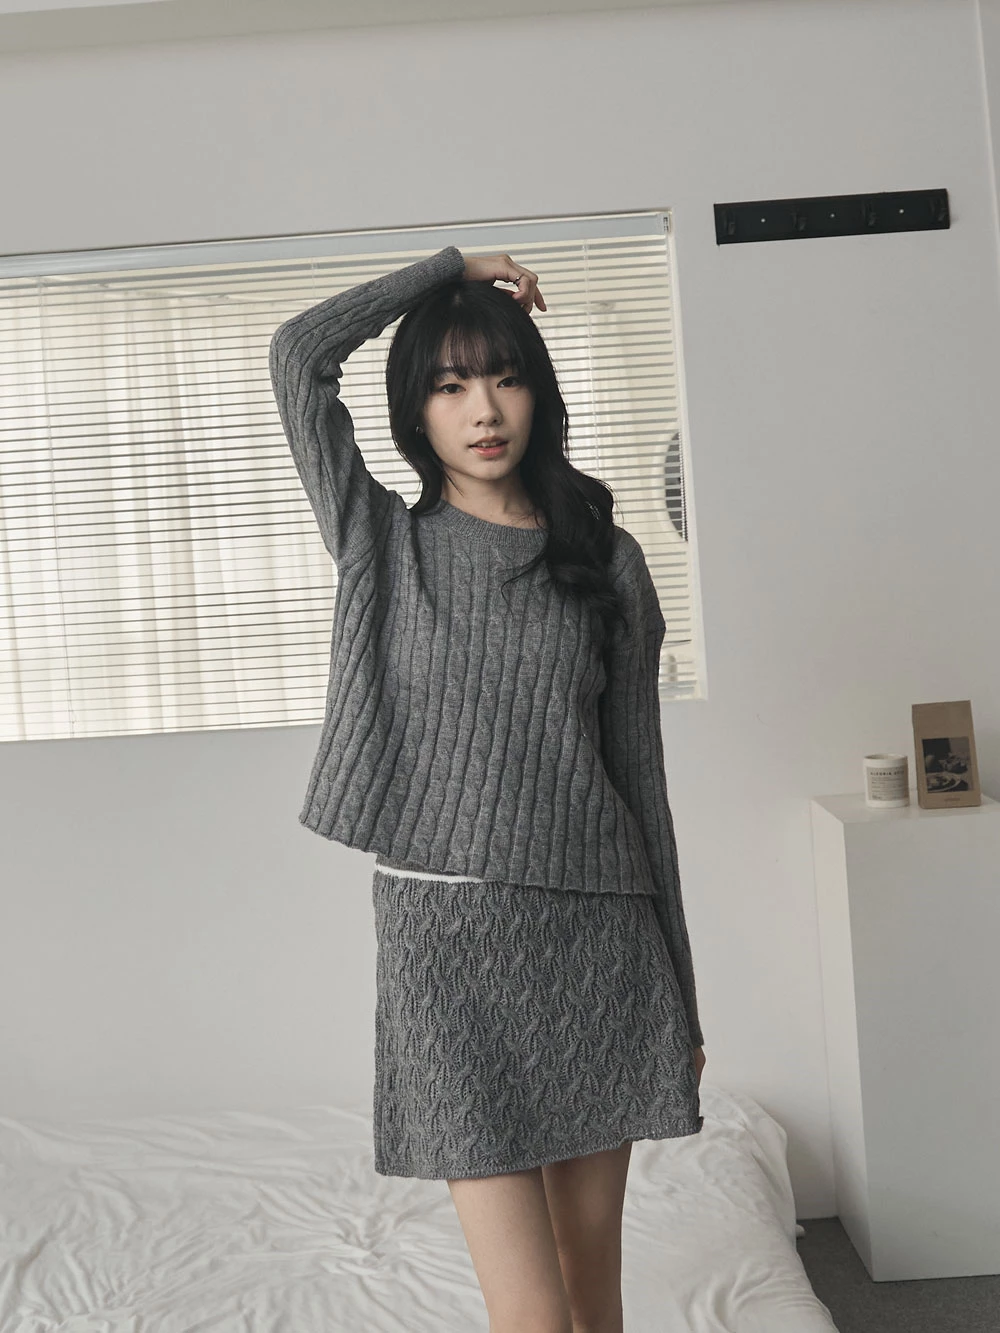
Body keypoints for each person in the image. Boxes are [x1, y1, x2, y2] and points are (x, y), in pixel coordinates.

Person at [268, 245, 706, 1333]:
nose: (483, 408)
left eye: (505, 377)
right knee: (531, 1315)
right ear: (415, 411)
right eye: (450, 384)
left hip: (598, 940)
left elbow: (642, 788)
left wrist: (684, 1002)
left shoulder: (606, 559)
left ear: (538, 393)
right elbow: (297, 354)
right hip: (448, 948)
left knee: (592, 1295)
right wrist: (449, 270)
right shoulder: (381, 540)